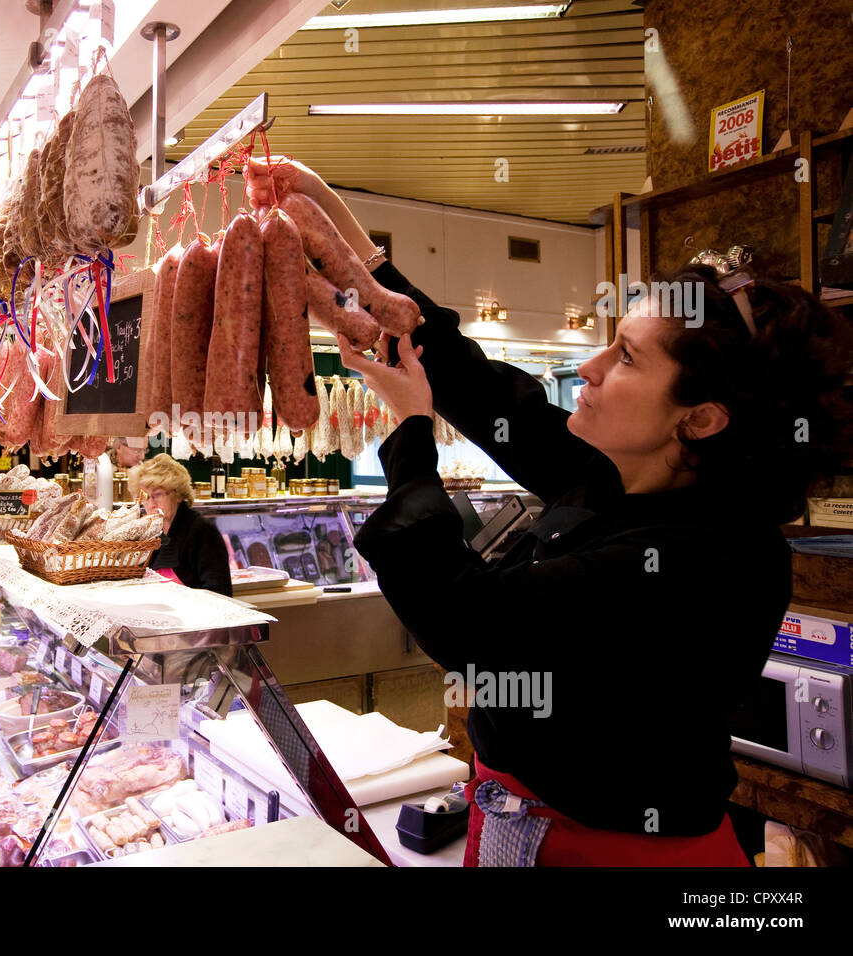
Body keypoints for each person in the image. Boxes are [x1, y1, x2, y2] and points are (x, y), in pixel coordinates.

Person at [245, 156, 853, 866]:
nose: (589, 369)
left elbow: (468, 619)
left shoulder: (703, 559)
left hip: (614, 854)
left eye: (626, 357)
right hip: (516, 819)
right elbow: (477, 385)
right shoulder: (616, 475)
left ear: (703, 419)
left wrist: (411, 434)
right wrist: (326, 210)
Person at [129, 454, 232, 597]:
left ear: (178, 495)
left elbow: (219, 593)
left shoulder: (202, 531)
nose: (151, 504)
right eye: (146, 497)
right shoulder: (152, 532)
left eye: (158, 495)